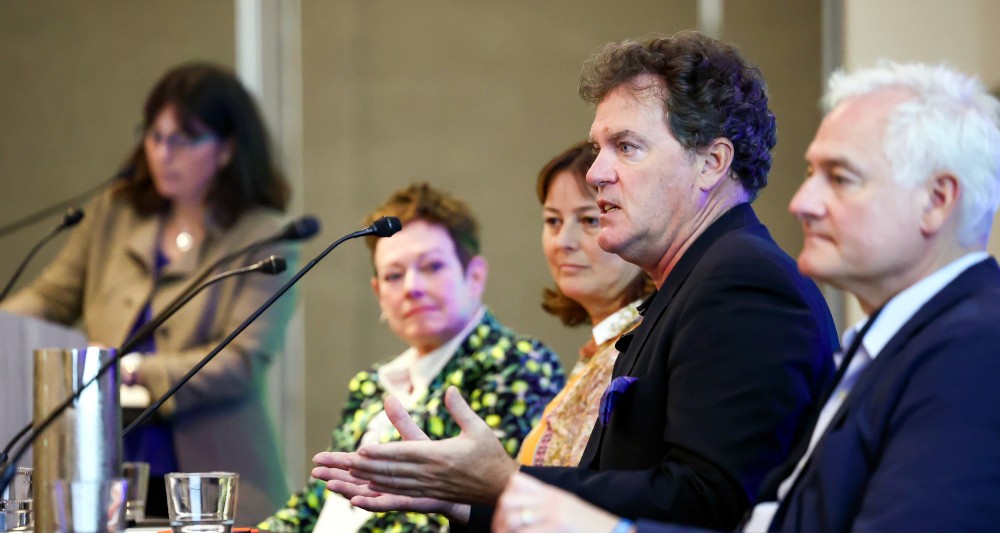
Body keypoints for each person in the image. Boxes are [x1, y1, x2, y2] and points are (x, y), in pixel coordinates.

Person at [312, 31, 838, 531]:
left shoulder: (743, 284)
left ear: (712, 163)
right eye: (599, 146)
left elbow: (711, 503)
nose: (596, 173)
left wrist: (503, 482)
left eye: (626, 147)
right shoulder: (690, 283)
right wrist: (462, 499)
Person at [493, 61, 1000, 533]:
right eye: (809, 175)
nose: (803, 204)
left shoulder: (975, 349)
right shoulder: (899, 341)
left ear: (937, 201)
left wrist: (599, 525)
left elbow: (714, 498)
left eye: (840, 178)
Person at [0, 63, 295, 522]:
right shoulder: (114, 214)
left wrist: (132, 369)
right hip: (99, 452)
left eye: (183, 139)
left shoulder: (266, 236)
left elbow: (240, 361)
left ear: (226, 150)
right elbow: (50, 297)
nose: (162, 153)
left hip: (207, 470)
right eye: (154, 137)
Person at [259, 183, 565, 533]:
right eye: (393, 275)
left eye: (432, 266)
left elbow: (472, 512)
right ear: (378, 293)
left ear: (475, 275)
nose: (411, 287)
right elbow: (320, 498)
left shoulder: (516, 365)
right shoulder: (372, 382)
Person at [519, 141, 653, 467]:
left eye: (590, 220)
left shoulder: (646, 344)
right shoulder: (599, 347)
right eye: (553, 221)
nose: (563, 242)